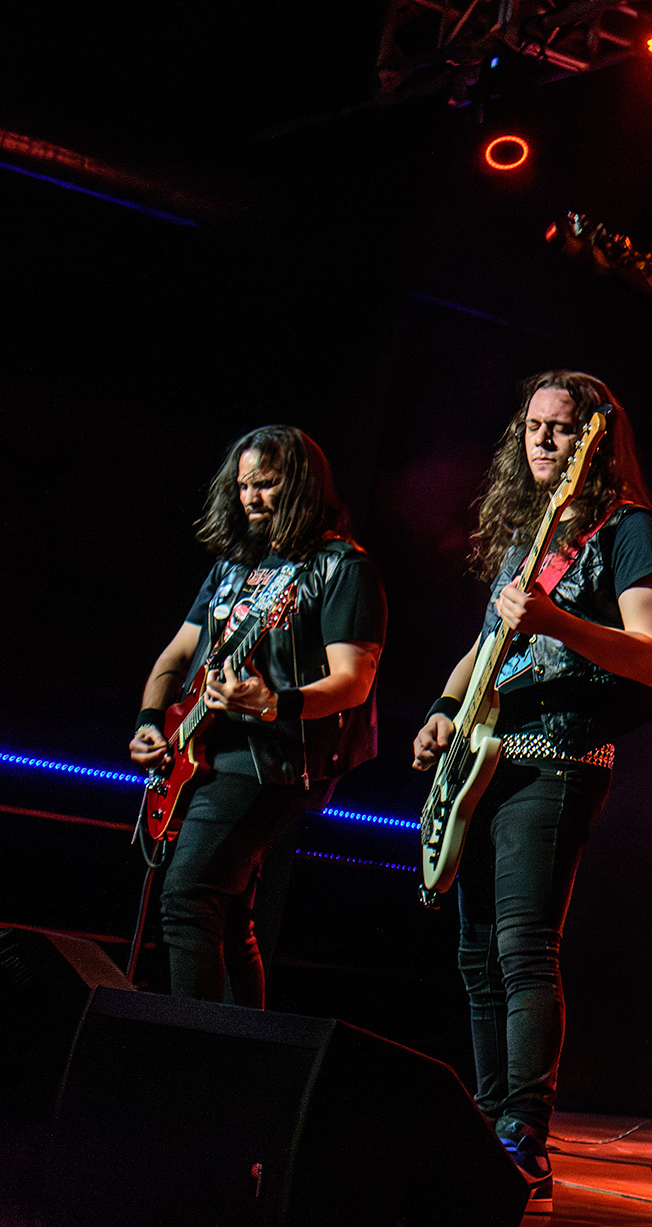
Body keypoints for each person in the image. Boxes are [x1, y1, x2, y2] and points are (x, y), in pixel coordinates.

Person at [413, 370, 652, 1213]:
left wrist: (557, 620)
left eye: (562, 428)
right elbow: (486, 643)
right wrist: (444, 708)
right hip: (489, 758)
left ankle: (523, 1135)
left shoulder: (629, 529)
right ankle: (486, 1117)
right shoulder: (532, 536)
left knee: (526, 946)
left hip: (562, 757)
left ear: (595, 440)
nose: (542, 440)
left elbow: (650, 654)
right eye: (533, 426)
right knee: (475, 952)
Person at [128, 425, 385, 1006]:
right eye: (243, 485)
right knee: (226, 915)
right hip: (201, 752)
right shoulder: (233, 565)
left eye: (265, 484)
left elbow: (353, 680)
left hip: (271, 761)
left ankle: (194, 1044)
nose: (250, 497)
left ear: (302, 486)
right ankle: (246, 1044)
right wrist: (149, 720)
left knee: (187, 898)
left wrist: (274, 702)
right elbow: (176, 655)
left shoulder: (343, 567)